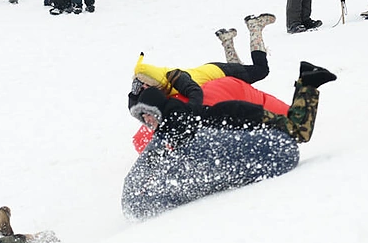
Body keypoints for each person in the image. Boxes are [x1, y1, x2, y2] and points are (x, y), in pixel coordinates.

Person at [129, 14, 290, 152]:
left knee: (260, 70)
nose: (144, 90)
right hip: (220, 79)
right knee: (243, 77)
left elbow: (194, 92)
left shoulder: (173, 78)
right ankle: (227, 41)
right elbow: (136, 104)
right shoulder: (158, 89)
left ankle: (255, 28)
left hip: (219, 72)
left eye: (145, 86)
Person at [129, 62, 337, 147]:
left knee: (300, 133)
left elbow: (194, 91)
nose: (147, 122)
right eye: (144, 118)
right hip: (236, 107)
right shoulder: (174, 113)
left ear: (158, 110)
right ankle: (306, 75)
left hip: (242, 114)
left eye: (148, 116)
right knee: (291, 125)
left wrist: (176, 77)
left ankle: (309, 83)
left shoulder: (178, 117)